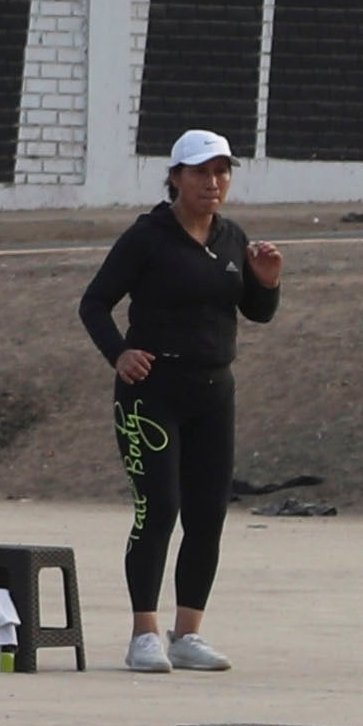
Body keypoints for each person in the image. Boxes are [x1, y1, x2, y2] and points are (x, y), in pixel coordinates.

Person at [74, 127, 282, 672]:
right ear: (175, 178)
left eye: (221, 172)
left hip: (214, 392)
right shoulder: (147, 237)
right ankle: (144, 631)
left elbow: (256, 313)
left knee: (208, 513)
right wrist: (119, 353)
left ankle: (188, 632)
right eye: (200, 173)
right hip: (152, 395)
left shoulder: (234, 238)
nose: (212, 183)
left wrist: (267, 283)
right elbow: (94, 303)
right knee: (159, 507)